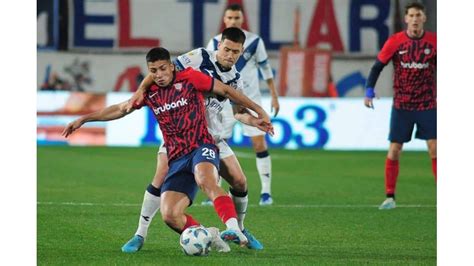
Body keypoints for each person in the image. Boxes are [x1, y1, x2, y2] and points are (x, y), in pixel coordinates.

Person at [62, 47, 273, 251]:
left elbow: (226, 90)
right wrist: (84, 119)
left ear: (171, 66)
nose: (159, 75)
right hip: (177, 155)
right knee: (170, 215)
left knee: (207, 180)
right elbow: (120, 108)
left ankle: (234, 228)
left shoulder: (190, 77)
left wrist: (259, 110)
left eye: (163, 69)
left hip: (202, 144)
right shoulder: (149, 92)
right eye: (153, 71)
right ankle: (210, 235)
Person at [121, 27, 267, 253]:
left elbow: (237, 112)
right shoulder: (199, 57)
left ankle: (239, 229)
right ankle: (140, 234)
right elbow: (162, 68)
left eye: (235, 52)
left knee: (240, 182)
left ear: (241, 52)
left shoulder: (235, 78)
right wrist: (140, 91)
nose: (230, 55)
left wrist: (253, 119)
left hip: (211, 137)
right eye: (226, 49)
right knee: (160, 177)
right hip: (181, 133)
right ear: (219, 45)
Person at [364, 2, 436, 210]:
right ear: (406, 19)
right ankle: (390, 197)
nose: (415, 19)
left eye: (418, 15)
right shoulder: (395, 42)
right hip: (402, 105)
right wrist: (369, 90)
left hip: (427, 104)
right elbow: (377, 67)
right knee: (395, 149)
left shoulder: (435, 42)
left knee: (435, 148)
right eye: (411, 15)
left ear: (424, 18)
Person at [207, 3, 280, 205]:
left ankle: (266, 192)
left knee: (259, 144)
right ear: (225, 19)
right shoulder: (213, 42)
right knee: (218, 144)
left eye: (236, 18)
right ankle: (216, 190)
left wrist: (274, 96)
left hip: (250, 98)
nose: (233, 21)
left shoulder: (255, 42)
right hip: (222, 103)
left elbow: (266, 70)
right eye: (229, 18)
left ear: (242, 19)